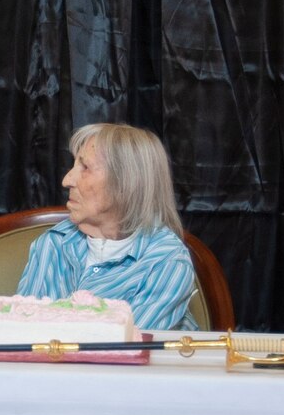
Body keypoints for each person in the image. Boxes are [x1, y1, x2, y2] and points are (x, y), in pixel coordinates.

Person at [17, 123, 196, 330]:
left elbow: (122, 349)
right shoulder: (53, 243)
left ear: (126, 183)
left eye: (85, 167)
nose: (67, 180)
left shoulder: (167, 262)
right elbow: (25, 335)